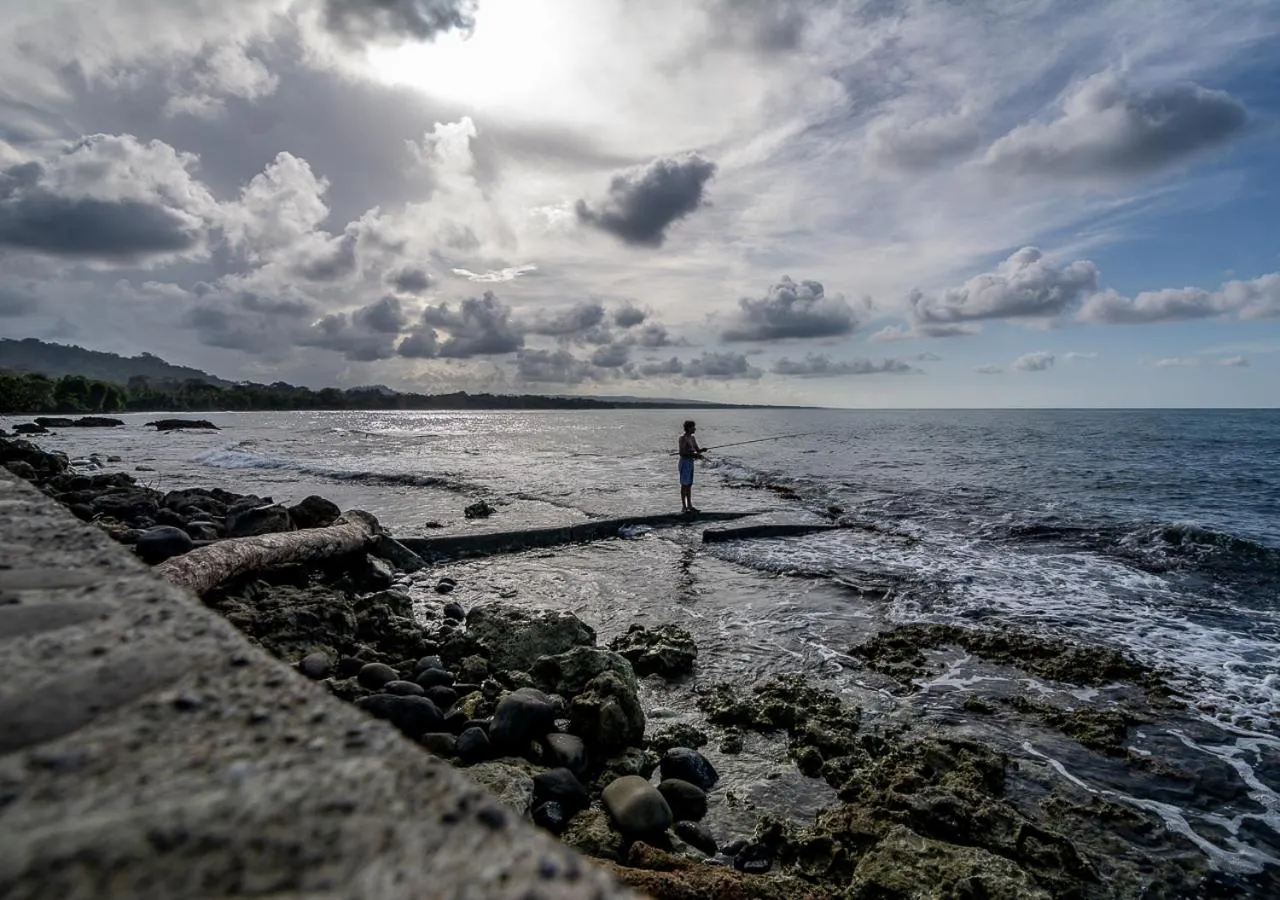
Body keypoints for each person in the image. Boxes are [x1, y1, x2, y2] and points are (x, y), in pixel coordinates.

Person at [678, 420, 706, 513]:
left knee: (689, 485)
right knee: (684, 485)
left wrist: (701, 451)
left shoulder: (693, 438)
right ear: (688, 428)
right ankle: (684, 507)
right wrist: (695, 455)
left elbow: (697, 450)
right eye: (693, 427)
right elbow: (682, 453)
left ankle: (689, 505)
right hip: (684, 463)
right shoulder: (683, 438)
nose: (695, 429)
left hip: (690, 463)